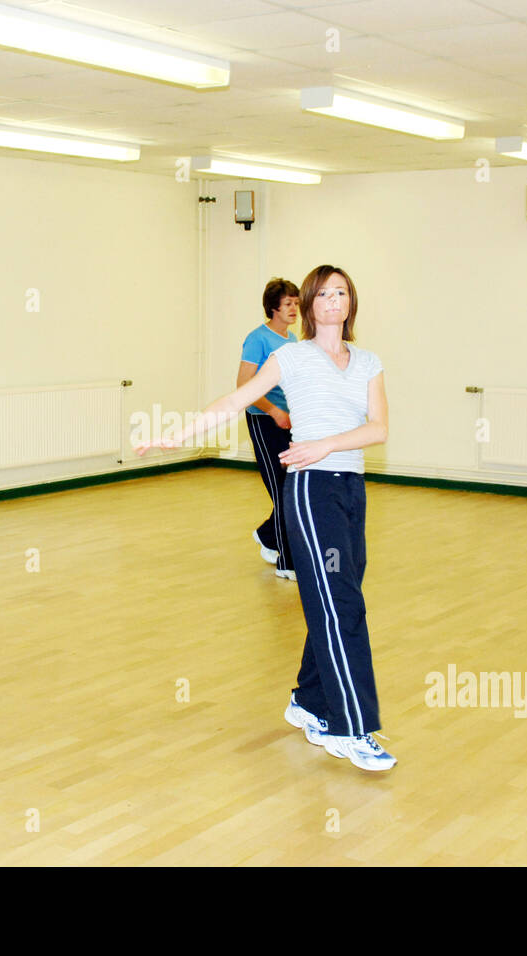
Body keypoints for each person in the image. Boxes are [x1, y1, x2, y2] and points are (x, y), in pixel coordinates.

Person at [138, 265, 394, 772]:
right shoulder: (290, 356)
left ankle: (309, 701)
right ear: (308, 303)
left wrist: (326, 443)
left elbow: (379, 429)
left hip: (350, 488)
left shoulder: (367, 362)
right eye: (322, 294)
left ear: (351, 303)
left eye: (340, 293)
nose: (332, 301)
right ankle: (351, 726)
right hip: (309, 490)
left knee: (343, 599)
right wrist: (180, 433)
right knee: (339, 602)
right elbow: (237, 398)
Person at [238, 278, 299, 580]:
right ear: (273, 307)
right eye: (288, 303)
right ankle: (287, 562)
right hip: (263, 420)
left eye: (297, 303)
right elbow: (244, 385)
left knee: (293, 488)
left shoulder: (294, 341)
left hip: (289, 421)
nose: (294, 309)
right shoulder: (257, 339)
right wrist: (273, 411)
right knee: (282, 490)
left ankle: (268, 535)